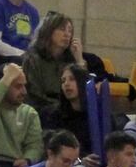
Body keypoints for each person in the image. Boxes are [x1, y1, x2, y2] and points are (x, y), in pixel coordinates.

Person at [20, 12, 88, 147]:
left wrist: (80, 60)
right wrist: (62, 105)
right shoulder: (32, 59)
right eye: (62, 29)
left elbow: (83, 91)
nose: (67, 34)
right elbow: (34, 94)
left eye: (70, 31)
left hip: (67, 108)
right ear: (49, 31)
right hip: (42, 108)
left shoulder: (69, 60)